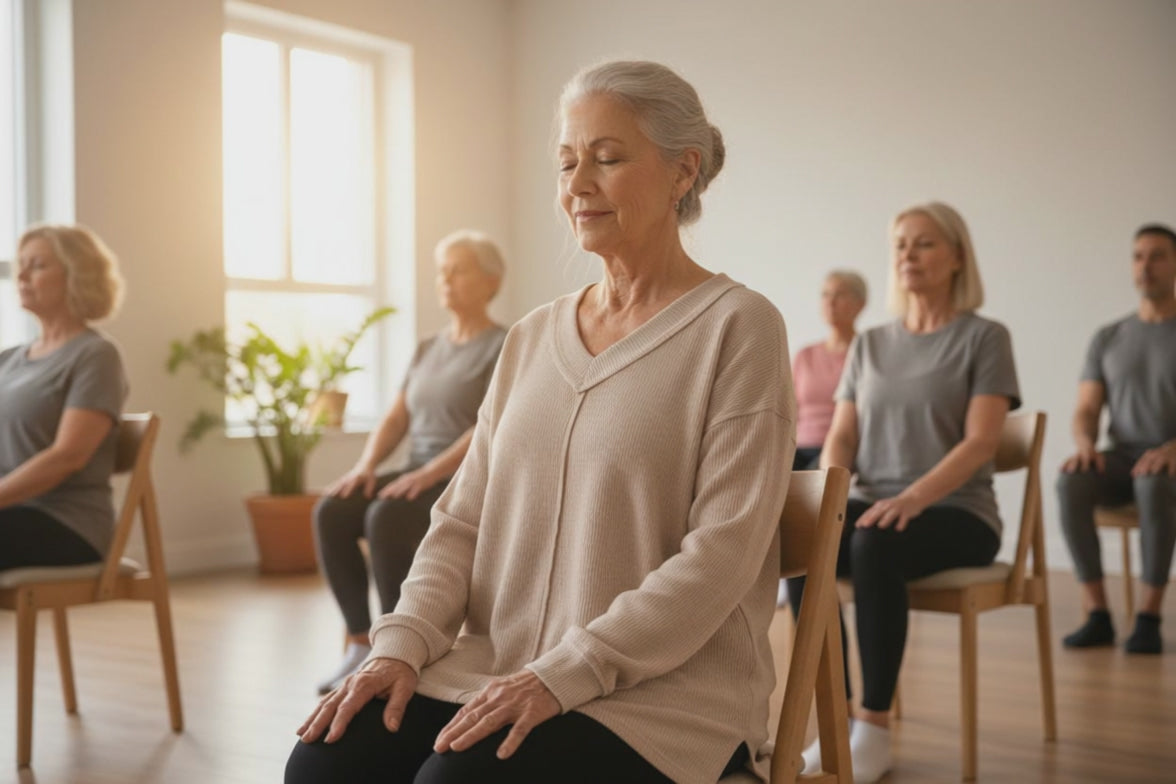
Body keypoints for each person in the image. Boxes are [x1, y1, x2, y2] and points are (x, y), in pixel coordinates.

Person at [286, 60, 796, 784]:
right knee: (325, 761)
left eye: (607, 158)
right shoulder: (531, 336)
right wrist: (399, 644)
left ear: (683, 172)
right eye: (565, 163)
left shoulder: (739, 327)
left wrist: (569, 671)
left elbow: (721, 556)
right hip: (494, 666)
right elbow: (460, 522)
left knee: (456, 781)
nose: (577, 184)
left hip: (659, 697)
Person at [787, 202, 1019, 783]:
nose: (908, 256)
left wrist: (913, 498)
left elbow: (981, 442)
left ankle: (875, 726)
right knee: (798, 543)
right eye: (899, 245)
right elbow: (841, 434)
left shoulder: (984, 338)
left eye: (924, 244)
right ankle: (834, 715)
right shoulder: (870, 346)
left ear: (958, 256)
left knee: (874, 544)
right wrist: (831, 496)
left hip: (959, 513)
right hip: (876, 506)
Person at [312, 230, 508, 693]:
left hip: (466, 478)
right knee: (334, 509)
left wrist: (427, 474)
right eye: (443, 271)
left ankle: (399, 647)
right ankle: (361, 642)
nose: (446, 279)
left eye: (458, 270)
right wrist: (365, 467)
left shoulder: (505, 344)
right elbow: (398, 416)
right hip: (416, 470)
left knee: (388, 516)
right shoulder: (427, 348)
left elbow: (489, 424)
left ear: (491, 281)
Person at [1057, 223, 1176, 655]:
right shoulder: (1109, 337)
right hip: (1122, 455)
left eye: (1158, 255)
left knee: (1154, 481)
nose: (1146, 266)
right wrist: (1085, 444)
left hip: (1170, 460)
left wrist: (1171, 450)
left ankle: (1148, 617)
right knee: (1071, 481)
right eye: (1138, 256)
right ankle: (1098, 615)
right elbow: (1087, 409)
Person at [0, 224, 128, 571]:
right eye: (21, 265)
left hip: (67, 522)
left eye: (38, 265)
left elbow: (68, 456)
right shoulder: (8, 359)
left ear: (78, 276)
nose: (22, 275)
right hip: (13, 513)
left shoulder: (95, 355)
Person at [792, 270, 867, 470]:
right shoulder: (805, 355)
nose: (830, 301)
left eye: (840, 294)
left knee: (811, 486)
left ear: (861, 304)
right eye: (825, 294)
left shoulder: (866, 354)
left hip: (842, 451)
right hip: (798, 448)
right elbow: (789, 410)